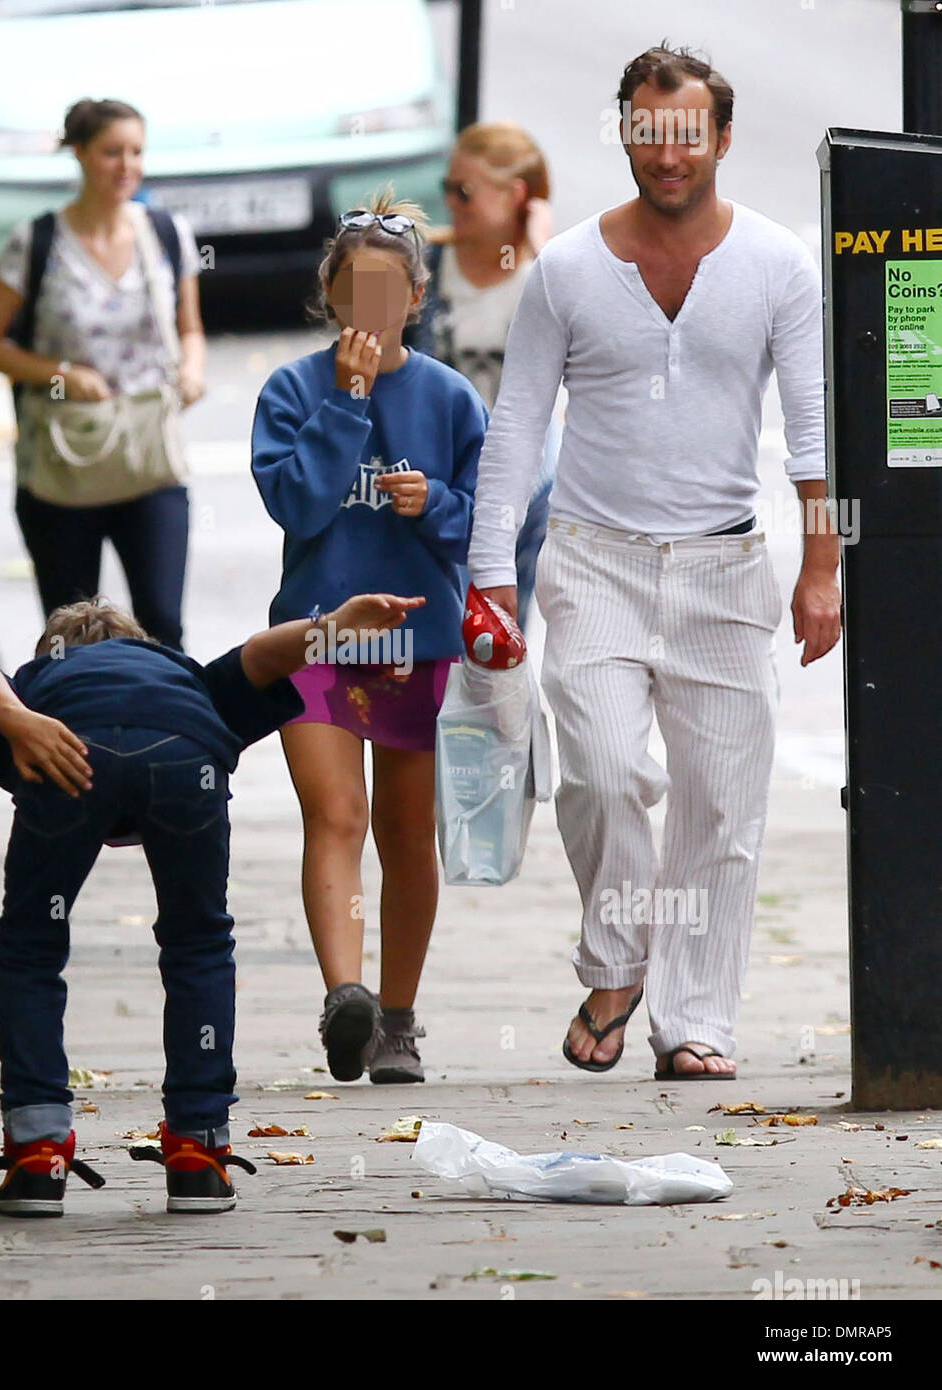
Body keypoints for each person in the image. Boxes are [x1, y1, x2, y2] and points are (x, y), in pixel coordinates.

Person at [468, 45, 841, 1081]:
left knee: (722, 805)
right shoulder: (568, 272)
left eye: (686, 132)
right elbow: (516, 426)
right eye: (647, 129)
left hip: (725, 571)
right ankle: (619, 959)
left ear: (719, 138)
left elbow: (812, 433)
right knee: (599, 771)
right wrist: (489, 571)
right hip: (594, 565)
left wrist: (822, 568)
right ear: (624, 132)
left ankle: (698, 1023)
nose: (666, 152)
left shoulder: (776, 265)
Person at [0, 590, 421, 1215]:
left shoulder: (40, 679)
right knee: (198, 945)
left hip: (70, 757)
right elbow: (264, 654)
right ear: (143, 647)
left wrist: (21, 721)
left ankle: (36, 1153)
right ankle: (198, 1151)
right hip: (186, 758)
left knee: (29, 949)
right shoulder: (182, 674)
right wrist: (333, 627)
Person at [251, 191, 486, 1085]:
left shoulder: (450, 398)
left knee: (403, 830)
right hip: (315, 634)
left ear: (418, 300)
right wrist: (347, 403)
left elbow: (491, 525)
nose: (375, 310)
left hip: (418, 644)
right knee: (334, 814)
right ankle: (342, 997)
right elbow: (298, 505)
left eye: (392, 292)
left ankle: (397, 1019)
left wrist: (442, 506)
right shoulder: (291, 390)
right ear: (333, 297)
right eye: (358, 291)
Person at [0, 97, 206, 650]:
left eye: (137, 152)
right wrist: (60, 374)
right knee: (71, 632)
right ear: (78, 155)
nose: (127, 167)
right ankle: (73, 733)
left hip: (149, 457)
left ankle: (167, 730)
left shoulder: (166, 233)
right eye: (111, 152)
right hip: (62, 464)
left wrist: (193, 369)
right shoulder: (39, 241)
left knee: (164, 624)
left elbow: (190, 327)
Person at [406, 121, 560, 630]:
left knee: (502, 633)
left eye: (464, 191)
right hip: (439, 475)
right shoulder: (425, 265)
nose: (450, 201)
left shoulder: (546, 272)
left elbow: (594, 358)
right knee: (441, 627)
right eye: (447, 188)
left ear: (515, 194)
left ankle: (499, 704)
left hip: (524, 482)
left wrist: (545, 252)